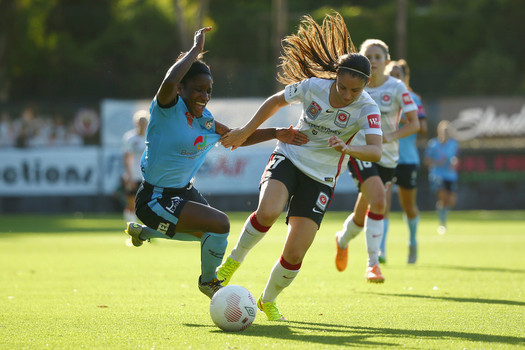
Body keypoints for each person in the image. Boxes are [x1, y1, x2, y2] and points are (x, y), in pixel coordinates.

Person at [216, 12, 383, 321]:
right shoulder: (313, 87)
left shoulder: (367, 108)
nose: (347, 95)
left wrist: (349, 148)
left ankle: (267, 300)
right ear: (335, 77)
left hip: (320, 177)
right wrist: (244, 132)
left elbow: (375, 151)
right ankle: (232, 262)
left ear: (365, 86)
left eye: (355, 91)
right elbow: (275, 101)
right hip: (290, 157)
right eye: (343, 87)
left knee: (295, 252)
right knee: (268, 211)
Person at [124, 26, 309, 299]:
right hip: (155, 198)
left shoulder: (205, 119)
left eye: (208, 91)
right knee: (220, 224)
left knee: (211, 236)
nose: (204, 96)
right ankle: (208, 282)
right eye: (198, 89)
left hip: (182, 191)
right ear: (180, 88)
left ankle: (147, 232)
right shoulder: (166, 108)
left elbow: (235, 138)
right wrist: (195, 51)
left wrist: (275, 133)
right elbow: (167, 80)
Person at [334, 39, 419, 282]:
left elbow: (415, 123)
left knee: (364, 212)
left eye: (377, 56)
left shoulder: (397, 87)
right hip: (360, 150)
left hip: (387, 157)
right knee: (380, 200)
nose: (373, 60)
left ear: (387, 60)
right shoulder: (354, 85)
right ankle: (373, 264)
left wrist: (390, 136)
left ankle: (342, 239)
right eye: (368, 56)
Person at [381, 59, 427, 264]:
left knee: (409, 206)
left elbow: (423, 127)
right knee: (382, 205)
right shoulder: (378, 95)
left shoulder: (414, 98)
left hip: (407, 159)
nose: (394, 78)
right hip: (385, 158)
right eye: (391, 74)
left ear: (404, 77)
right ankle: (380, 250)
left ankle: (412, 242)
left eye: (398, 75)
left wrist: (401, 118)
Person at [424, 120, 459, 235]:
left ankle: (444, 219)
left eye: (448, 131)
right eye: (444, 131)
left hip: (450, 175)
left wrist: (455, 162)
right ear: (439, 131)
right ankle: (442, 224)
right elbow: (428, 161)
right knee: (443, 197)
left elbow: (455, 158)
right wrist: (438, 162)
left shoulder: (454, 144)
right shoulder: (433, 144)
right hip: (437, 175)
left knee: (451, 201)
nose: (446, 133)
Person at [122, 110, 149, 222]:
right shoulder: (130, 138)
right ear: (136, 123)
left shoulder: (151, 137)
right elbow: (126, 158)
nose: (142, 125)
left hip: (147, 176)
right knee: (131, 202)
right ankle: (131, 227)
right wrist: (129, 176)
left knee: (147, 203)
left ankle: (147, 229)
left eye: (144, 122)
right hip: (134, 174)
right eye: (140, 122)